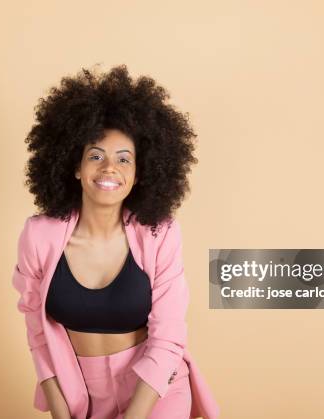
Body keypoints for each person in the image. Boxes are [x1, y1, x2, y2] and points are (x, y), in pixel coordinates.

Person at [12, 65, 219, 419]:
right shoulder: (39, 235)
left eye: (124, 159)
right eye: (96, 156)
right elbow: (38, 332)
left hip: (155, 389)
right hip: (79, 390)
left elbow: (168, 336)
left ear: (140, 174)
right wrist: (61, 411)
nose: (110, 168)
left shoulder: (159, 233)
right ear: (75, 166)